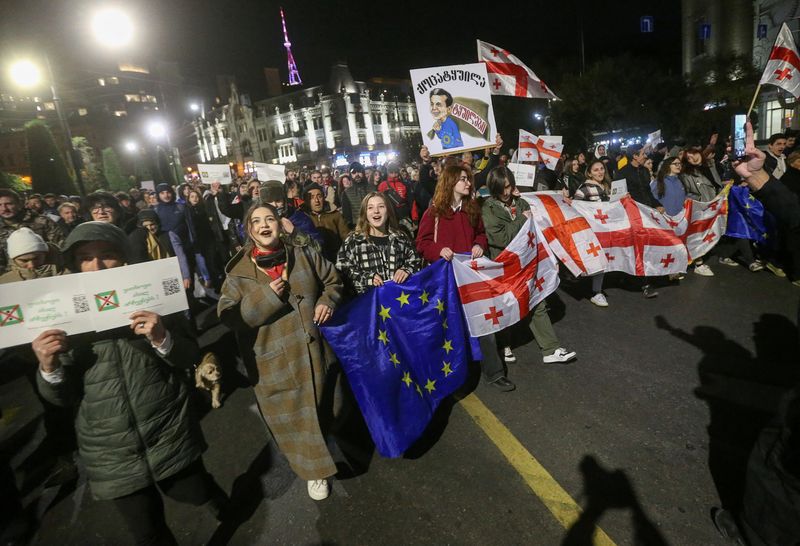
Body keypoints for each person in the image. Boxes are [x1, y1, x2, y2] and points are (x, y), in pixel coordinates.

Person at [31, 222, 227, 545]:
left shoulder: (151, 296)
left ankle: (220, 502)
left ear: (122, 258)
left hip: (167, 430)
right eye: (85, 257)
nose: (96, 267)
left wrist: (162, 337)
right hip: (109, 450)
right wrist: (48, 366)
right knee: (147, 531)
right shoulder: (60, 311)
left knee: (196, 490)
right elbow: (61, 398)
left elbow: (190, 354)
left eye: (106, 255)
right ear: (74, 263)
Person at [218, 203, 344, 501]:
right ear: (249, 230)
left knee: (332, 410)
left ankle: (321, 449)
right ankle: (314, 472)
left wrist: (328, 300)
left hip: (316, 354)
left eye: (270, 219)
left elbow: (333, 280)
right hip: (276, 362)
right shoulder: (238, 274)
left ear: (279, 224)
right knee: (300, 421)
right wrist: (265, 297)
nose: (264, 225)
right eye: (257, 221)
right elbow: (228, 316)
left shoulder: (303, 254)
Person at [416, 165, 515, 392]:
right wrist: (438, 250)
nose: (468, 183)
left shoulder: (472, 208)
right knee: (451, 328)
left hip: (471, 277)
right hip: (446, 280)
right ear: (450, 182)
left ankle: (495, 373)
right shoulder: (434, 212)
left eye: (468, 179)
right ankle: (452, 378)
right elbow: (422, 242)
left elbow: (480, 233)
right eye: (463, 179)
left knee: (484, 322)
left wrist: (479, 244)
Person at [482, 167, 577, 365]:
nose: (507, 192)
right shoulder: (488, 208)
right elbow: (500, 237)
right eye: (502, 188)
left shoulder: (522, 202)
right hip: (503, 266)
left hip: (525, 263)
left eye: (509, 186)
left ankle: (550, 349)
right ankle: (504, 343)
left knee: (536, 301)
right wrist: (522, 220)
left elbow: (534, 231)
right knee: (506, 306)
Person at [336, 192, 422, 295]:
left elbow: (416, 260)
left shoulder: (400, 238)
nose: (376, 211)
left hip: (397, 301)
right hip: (367, 304)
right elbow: (342, 269)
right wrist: (366, 278)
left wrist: (407, 270)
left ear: (388, 211)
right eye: (370, 208)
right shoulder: (354, 241)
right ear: (365, 213)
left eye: (381, 206)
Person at [571, 159, 615, 305]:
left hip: (606, 228)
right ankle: (596, 292)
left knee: (604, 258)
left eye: (601, 169)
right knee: (597, 259)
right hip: (593, 230)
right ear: (589, 173)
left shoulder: (608, 186)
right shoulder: (584, 188)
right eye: (595, 170)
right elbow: (575, 206)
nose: (600, 172)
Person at [0, 188, 65, 273]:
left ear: (19, 203)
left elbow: (61, 247)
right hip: (13, 277)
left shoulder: (42, 221)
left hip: (47, 273)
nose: (4, 208)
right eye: (0, 205)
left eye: (8, 204)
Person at [154, 183, 192, 289]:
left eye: (168, 192)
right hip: (165, 247)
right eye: (162, 193)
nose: (166, 195)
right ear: (158, 195)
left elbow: (190, 226)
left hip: (184, 244)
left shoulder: (181, 207)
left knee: (188, 282)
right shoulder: (155, 210)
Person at [302, 183, 351, 262]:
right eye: (312, 197)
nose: (316, 200)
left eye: (319, 196)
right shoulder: (302, 217)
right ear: (306, 201)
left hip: (335, 258)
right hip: (312, 260)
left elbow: (347, 237)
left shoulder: (335, 215)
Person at [378, 162, 416, 226]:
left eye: (395, 172)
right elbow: (379, 203)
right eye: (391, 173)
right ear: (388, 173)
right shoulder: (382, 185)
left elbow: (412, 202)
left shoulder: (404, 184)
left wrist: (414, 218)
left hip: (404, 216)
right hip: (389, 217)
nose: (394, 175)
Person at [341, 162, 371, 228]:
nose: (357, 174)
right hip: (356, 227)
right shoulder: (346, 193)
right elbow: (347, 216)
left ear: (363, 172)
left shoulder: (372, 189)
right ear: (351, 175)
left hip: (373, 225)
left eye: (359, 171)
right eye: (354, 172)